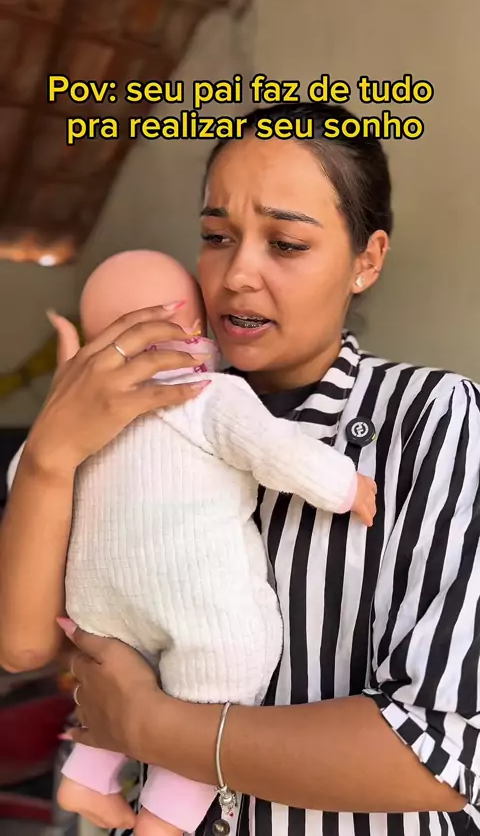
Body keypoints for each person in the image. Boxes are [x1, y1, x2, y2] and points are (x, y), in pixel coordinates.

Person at [0, 101, 478, 836]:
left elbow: (440, 756)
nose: (237, 275)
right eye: (216, 237)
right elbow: (24, 645)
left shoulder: (435, 418)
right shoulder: (131, 424)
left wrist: (150, 725)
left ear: (367, 259)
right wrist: (50, 456)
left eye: (286, 243)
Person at [56, 249, 375, 835]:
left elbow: (29, 472)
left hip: (97, 604)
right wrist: (343, 485)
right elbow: (276, 451)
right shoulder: (208, 394)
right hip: (190, 596)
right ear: (196, 329)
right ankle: (164, 822)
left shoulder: (86, 419)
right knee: (220, 690)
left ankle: (86, 776)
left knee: (118, 681)